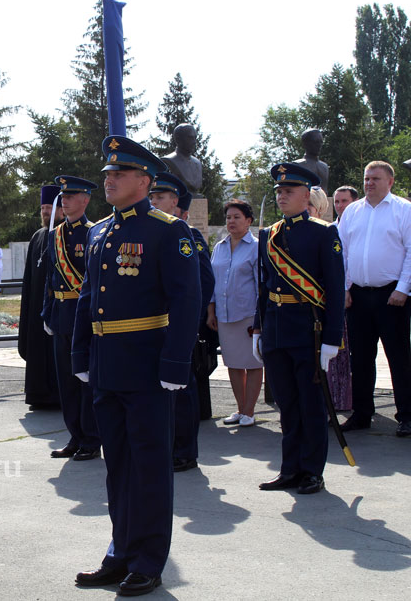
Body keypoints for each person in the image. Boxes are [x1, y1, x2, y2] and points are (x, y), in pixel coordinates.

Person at [73, 136, 200, 596]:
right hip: (107, 364)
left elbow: (187, 300)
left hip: (147, 365)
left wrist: (175, 363)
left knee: (149, 465)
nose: (109, 180)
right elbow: (89, 297)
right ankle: (119, 551)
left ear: (144, 181)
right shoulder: (99, 230)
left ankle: (148, 559)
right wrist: (80, 353)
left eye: (118, 174)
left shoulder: (168, 231)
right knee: (118, 465)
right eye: (107, 174)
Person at [253, 162, 345, 494]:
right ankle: (289, 468)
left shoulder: (324, 233)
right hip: (277, 329)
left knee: (310, 404)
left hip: (310, 331)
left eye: (288, 191)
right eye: (278, 191)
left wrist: (333, 338)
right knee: (287, 405)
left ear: (307, 195)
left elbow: (334, 288)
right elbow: (264, 287)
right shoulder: (269, 235)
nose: (282, 196)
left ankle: (312, 471)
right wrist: (258, 329)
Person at [337, 161, 411, 438]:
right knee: (361, 358)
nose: (369, 183)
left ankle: (406, 414)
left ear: (390, 182)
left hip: (392, 295)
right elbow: (341, 252)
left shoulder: (403, 210)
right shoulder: (352, 212)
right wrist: (343, 289)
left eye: (376, 179)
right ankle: (362, 413)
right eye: (367, 178)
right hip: (357, 295)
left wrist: (403, 289)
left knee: (399, 357)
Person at [148, 172, 215, 472]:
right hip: (153, 327)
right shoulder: (150, 232)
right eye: (151, 196)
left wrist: (190, 321)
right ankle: (167, 445)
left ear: (175, 203)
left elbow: (203, 280)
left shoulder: (187, 234)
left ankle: (185, 451)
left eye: (160, 197)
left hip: (178, 326)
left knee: (183, 391)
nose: (153, 201)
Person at [42, 176, 100, 461]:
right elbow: (50, 279)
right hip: (62, 315)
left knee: (85, 380)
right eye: (63, 196)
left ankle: (91, 438)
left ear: (85, 199)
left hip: (84, 315)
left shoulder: (93, 233)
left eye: (71, 195)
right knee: (66, 381)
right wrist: (47, 312)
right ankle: (75, 436)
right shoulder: (54, 235)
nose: (64, 200)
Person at [207, 200, 263, 427]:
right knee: (233, 363)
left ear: (248, 221)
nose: (231, 221)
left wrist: (261, 318)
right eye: (229, 217)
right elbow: (212, 282)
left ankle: (250, 411)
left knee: (252, 363)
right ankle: (240, 410)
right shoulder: (219, 247)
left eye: (237, 217)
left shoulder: (257, 247)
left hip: (247, 314)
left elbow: (261, 285)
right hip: (224, 315)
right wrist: (211, 312)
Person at [18, 185, 63, 409]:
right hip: (36, 306)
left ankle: (56, 397)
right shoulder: (37, 236)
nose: (46, 212)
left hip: (58, 309)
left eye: (50, 208)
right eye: (43, 208)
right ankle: (37, 396)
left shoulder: (66, 234)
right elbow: (28, 279)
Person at [307, 188, 351, 411]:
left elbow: (338, 270)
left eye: (310, 208)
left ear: (320, 209)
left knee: (332, 363)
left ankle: (333, 406)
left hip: (325, 306)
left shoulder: (328, 231)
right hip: (304, 311)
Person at [160, 123, 203, 193]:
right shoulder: (169, 160)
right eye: (190, 138)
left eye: (195, 138)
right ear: (178, 139)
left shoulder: (197, 163)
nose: (194, 142)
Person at [294, 128, 330, 194]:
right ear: (305, 144)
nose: (319, 145)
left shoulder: (324, 166)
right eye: (315, 142)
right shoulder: (297, 165)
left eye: (321, 142)